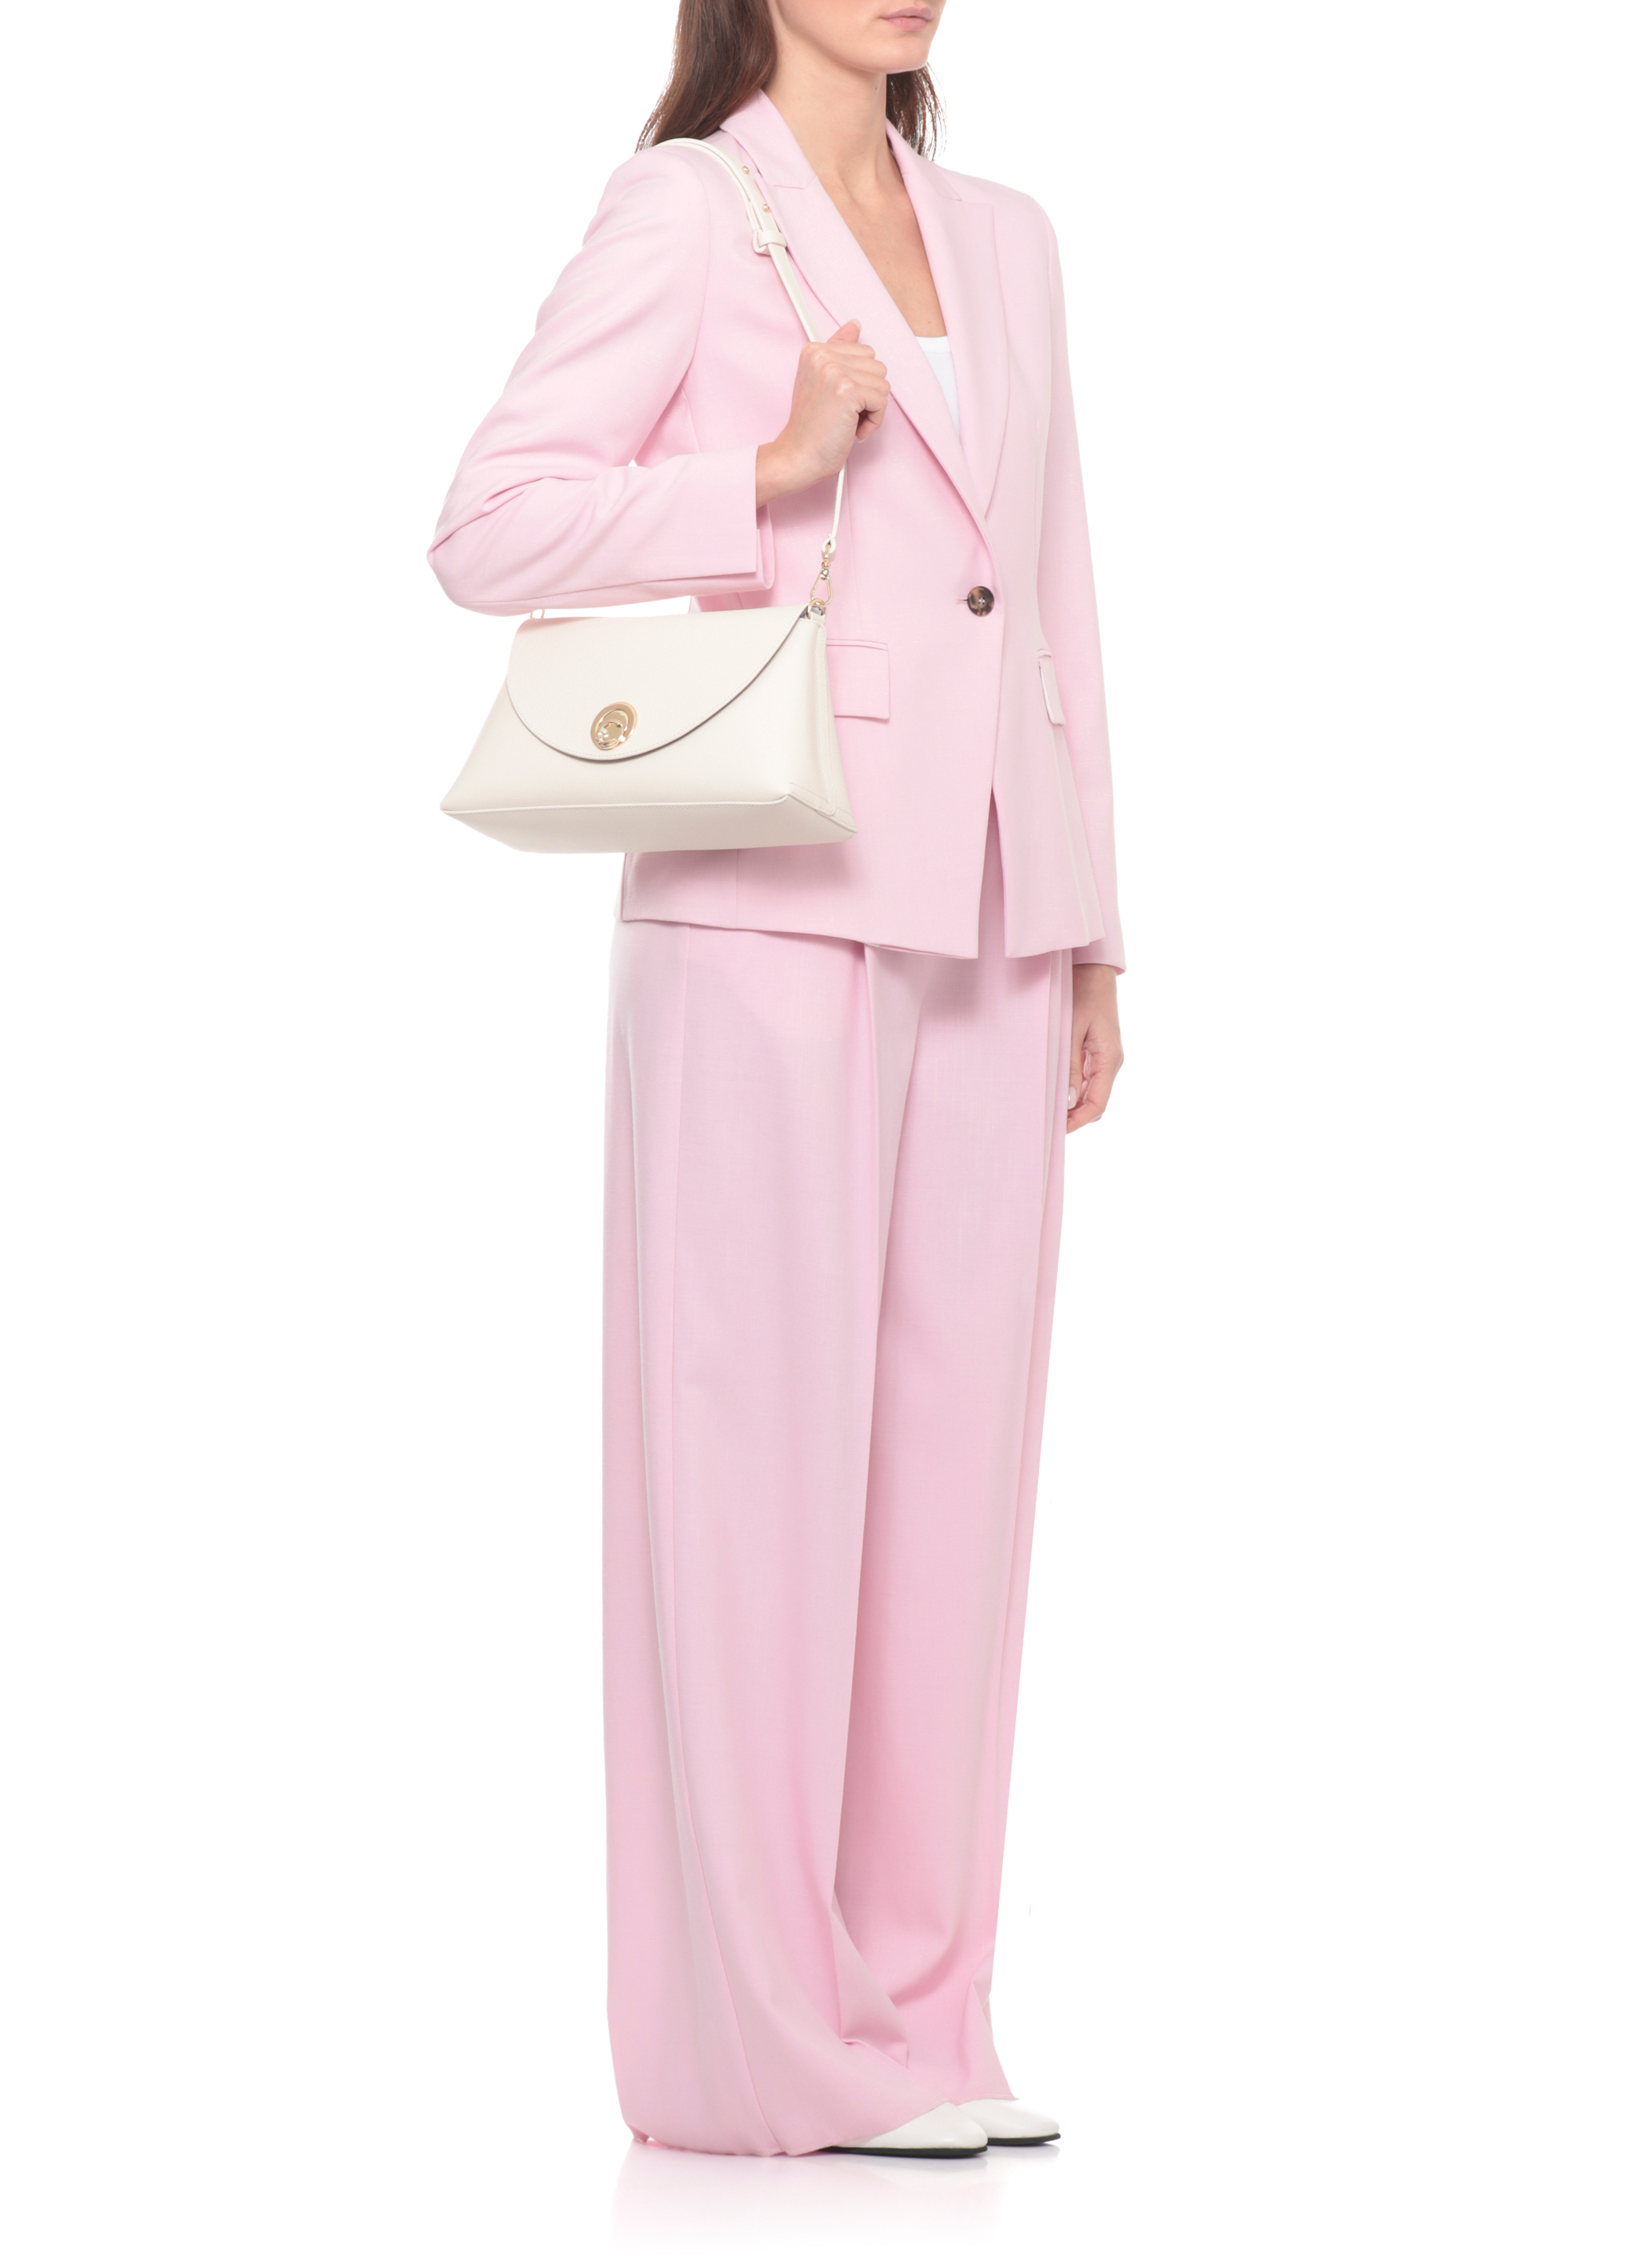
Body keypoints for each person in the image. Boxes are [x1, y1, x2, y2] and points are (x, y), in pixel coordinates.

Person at [429, 0, 1123, 2160]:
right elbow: (485, 527)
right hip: (762, 910)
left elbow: (1056, 594)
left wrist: (1093, 919)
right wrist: (761, 474)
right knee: (753, 1491)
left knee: (954, 1494)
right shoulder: (682, 206)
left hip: (991, 906)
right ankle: (756, 2053)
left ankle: (918, 2017)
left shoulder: (1006, 236)